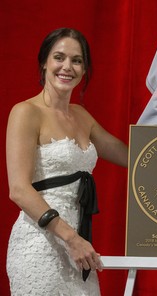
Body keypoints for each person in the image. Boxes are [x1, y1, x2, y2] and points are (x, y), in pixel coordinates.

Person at [6, 28, 128, 295]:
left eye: (77, 60)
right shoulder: (25, 112)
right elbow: (19, 190)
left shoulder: (82, 116)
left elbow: (133, 157)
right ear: (44, 63)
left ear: (84, 69)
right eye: (59, 57)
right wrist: (71, 239)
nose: (67, 67)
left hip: (80, 251)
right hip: (40, 246)